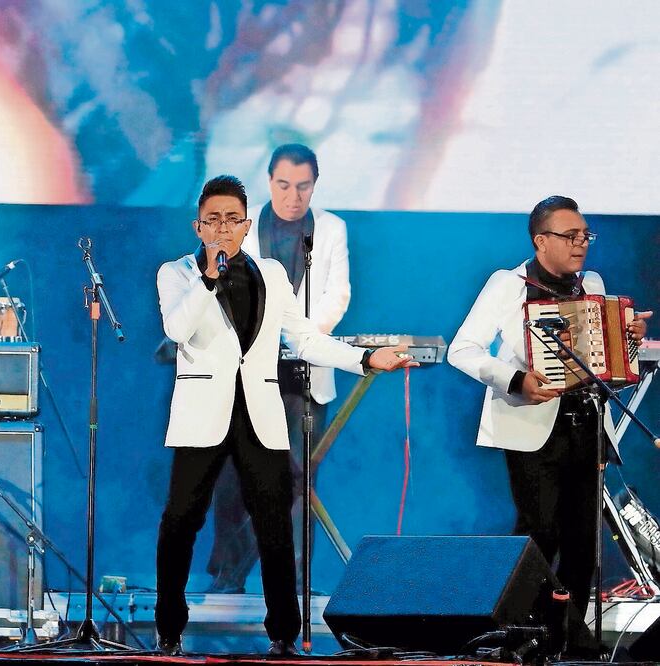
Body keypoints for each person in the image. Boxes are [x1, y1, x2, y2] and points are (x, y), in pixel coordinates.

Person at [154, 175, 414, 655]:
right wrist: (209, 277)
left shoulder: (272, 274)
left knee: (275, 523)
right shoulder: (178, 273)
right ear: (198, 226)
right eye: (213, 220)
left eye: (232, 219)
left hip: (260, 413)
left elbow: (306, 339)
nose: (222, 228)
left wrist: (364, 359)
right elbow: (177, 328)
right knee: (182, 520)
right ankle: (169, 627)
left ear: (246, 224)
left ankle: (283, 635)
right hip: (202, 414)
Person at [448, 195, 650, 616]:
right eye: (570, 235)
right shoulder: (509, 284)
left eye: (585, 235)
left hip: (588, 423)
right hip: (530, 423)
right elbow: (462, 350)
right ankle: (523, 628)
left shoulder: (591, 284)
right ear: (541, 240)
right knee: (539, 531)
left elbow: (605, 361)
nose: (581, 243)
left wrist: (628, 336)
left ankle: (573, 635)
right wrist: (516, 379)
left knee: (583, 539)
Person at [207, 143, 350, 593]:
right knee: (234, 476)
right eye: (284, 185)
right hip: (246, 370)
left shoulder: (330, 229)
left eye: (303, 186)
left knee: (294, 482)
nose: (293, 196)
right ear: (269, 182)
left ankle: (290, 580)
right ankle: (228, 576)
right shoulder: (242, 228)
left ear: (314, 186)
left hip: (304, 375)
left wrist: (300, 336)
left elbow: (337, 295)